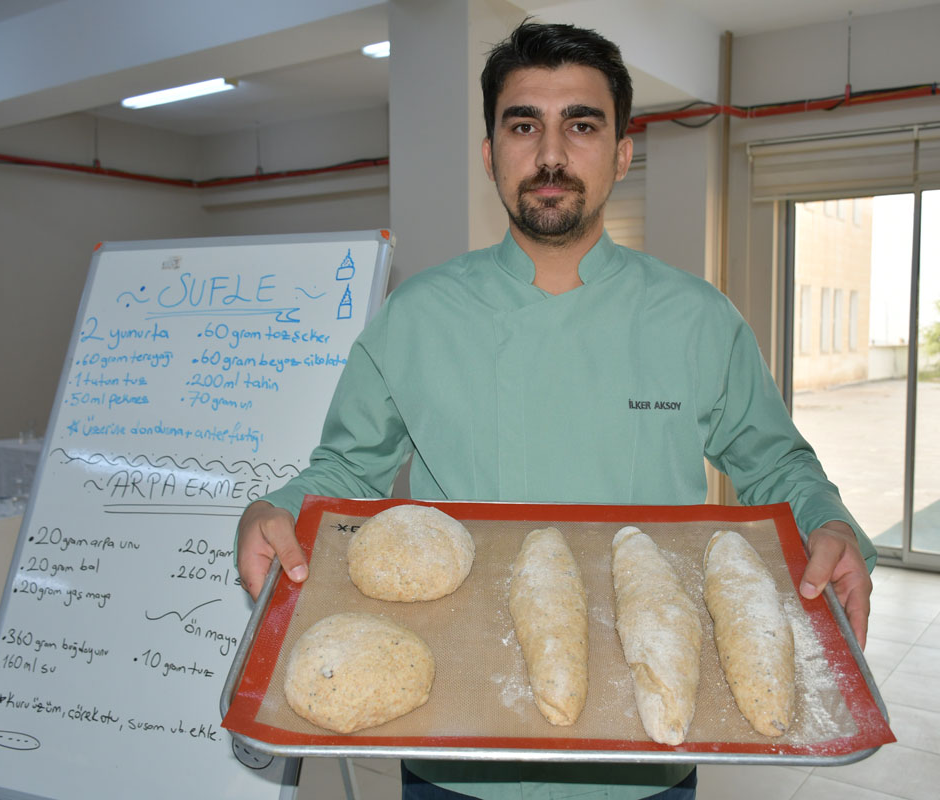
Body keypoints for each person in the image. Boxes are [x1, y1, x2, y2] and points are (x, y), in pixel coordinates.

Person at [237, 19, 875, 800]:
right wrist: (279, 509)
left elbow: (775, 463)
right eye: (523, 125)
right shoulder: (416, 318)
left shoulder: (696, 320)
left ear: (622, 153)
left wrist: (828, 521)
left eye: (581, 125)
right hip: (457, 743)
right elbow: (345, 470)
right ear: (489, 154)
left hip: (643, 745)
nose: (550, 154)